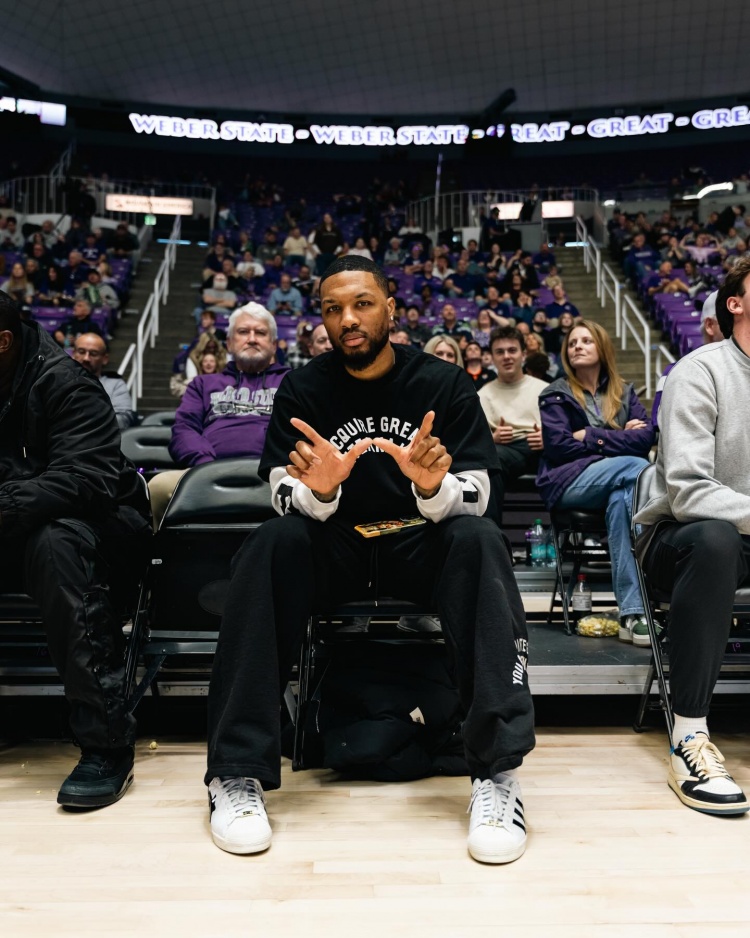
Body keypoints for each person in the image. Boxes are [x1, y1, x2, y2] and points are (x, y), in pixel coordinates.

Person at [205, 256, 534, 864]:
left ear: (390, 308)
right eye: (333, 309)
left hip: (420, 540)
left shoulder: (442, 383)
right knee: (271, 543)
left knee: (480, 539)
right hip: (336, 545)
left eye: (361, 304)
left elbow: (482, 492)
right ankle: (236, 770)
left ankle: (496, 773)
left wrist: (433, 488)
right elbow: (281, 492)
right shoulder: (304, 388)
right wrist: (321, 491)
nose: (348, 319)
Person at [0, 293, 151, 807]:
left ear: (2, 342)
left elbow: (83, 481)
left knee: (56, 544)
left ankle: (106, 745)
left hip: (100, 533)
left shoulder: (67, 383)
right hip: (17, 529)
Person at [633, 256, 750, 816]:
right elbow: (688, 492)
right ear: (735, 303)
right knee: (715, 540)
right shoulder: (699, 371)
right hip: (679, 539)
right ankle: (690, 734)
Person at [537, 320, 655, 643]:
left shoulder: (624, 392)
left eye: (586, 341)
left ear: (601, 347)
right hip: (568, 482)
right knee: (640, 468)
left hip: (615, 481)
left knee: (623, 498)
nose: (577, 346)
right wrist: (618, 439)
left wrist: (590, 436)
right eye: (573, 343)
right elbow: (558, 447)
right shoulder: (555, 394)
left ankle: (633, 614)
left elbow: (645, 437)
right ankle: (656, 592)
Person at [148, 304, 289, 526]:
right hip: (206, 470)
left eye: (261, 333)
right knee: (157, 487)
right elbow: (184, 429)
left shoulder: (292, 382)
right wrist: (206, 466)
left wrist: (278, 464)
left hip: (278, 472)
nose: (252, 339)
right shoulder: (202, 384)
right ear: (229, 343)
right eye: (243, 332)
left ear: (273, 345)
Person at [478, 327, 547, 519]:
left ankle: (565, 531)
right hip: (506, 450)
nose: (507, 356)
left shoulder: (545, 389)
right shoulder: (482, 395)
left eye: (512, 350)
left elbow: (565, 429)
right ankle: (490, 532)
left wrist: (549, 436)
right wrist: (493, 438)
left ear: (523, 354)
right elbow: (475, 441)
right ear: (492, 358)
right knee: (492, 458)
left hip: (542, 448)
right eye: (500, 352)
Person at [72, 333, 137, 431]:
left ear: (105, 359)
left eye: (93, 354)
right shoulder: (57, 381)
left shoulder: (115, 385)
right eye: (81, 352)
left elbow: (123, 420)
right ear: (73, 354)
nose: (86, 358)